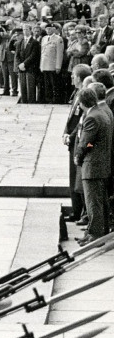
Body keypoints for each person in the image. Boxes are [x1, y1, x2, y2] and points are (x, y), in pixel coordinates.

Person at [74, 85, 112, 241]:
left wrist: (78, 156)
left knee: (92, 202)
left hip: (93, 165)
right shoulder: (102, 113)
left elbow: (85, 142)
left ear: (82, 102)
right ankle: (95, 232)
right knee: (99, 201)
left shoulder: (91, 117)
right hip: (102, 164)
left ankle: (94, 234)